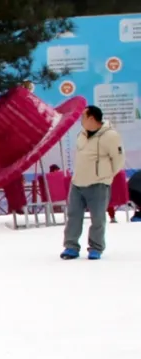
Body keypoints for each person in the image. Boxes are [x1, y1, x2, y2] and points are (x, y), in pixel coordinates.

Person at [62, 105, 125, 260]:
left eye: (83, 116)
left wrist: (106, 176)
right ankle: (71, 247)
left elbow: (118, 159)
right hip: (77, 183)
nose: (81, 120)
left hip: (98, 184)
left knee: (97, 218)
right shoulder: (81, 135)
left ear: (91, 118)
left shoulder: (110, 135)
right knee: (73, 216)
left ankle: (95, 248)